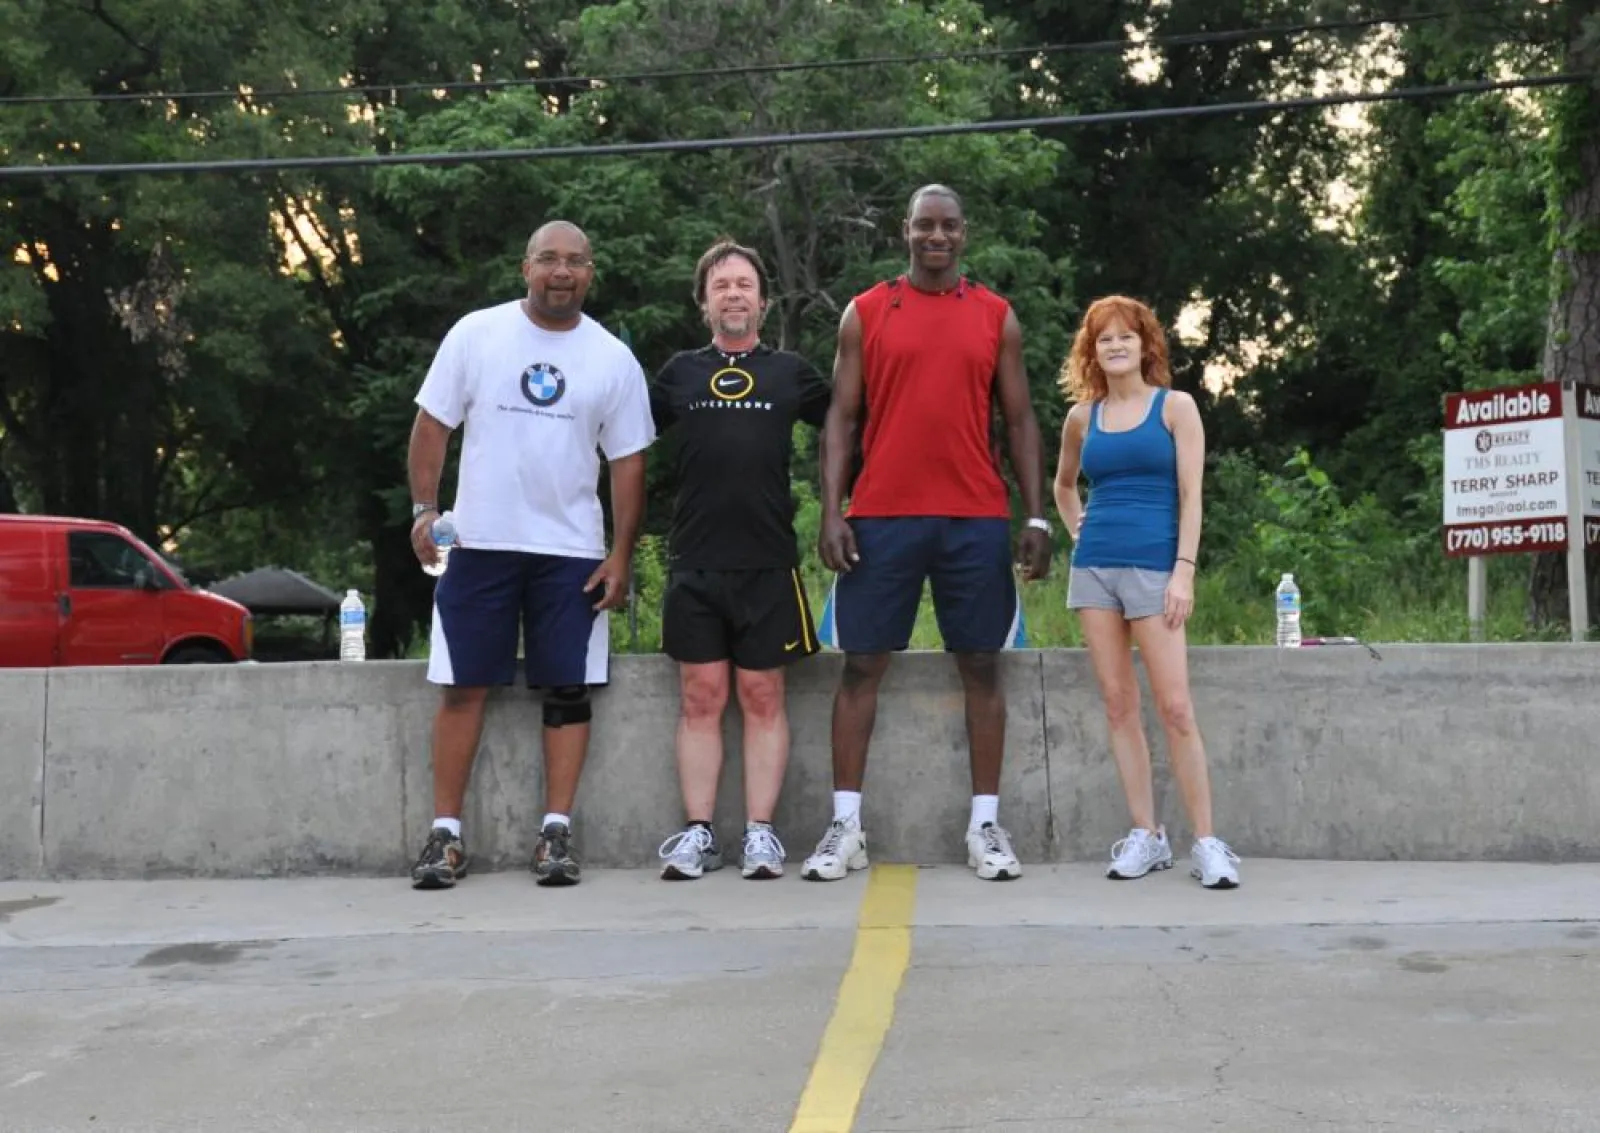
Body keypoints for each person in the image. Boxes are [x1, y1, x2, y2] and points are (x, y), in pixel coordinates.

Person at [806, 184, 1053, 883]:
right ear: (905, 231)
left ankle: (984, 825)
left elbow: (1021, 420)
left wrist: (1034, 514)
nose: (935, 236)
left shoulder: (996, 316)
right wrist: (833, 509)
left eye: (947, 226)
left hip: (973, 514)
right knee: (861, 665)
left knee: (981, 663)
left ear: (964, 235)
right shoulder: (866, 312)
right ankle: (845, 825)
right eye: (924, 226)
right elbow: (841, 420)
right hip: (881, 513)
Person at [405, 220, 655, 891]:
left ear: (590, 272)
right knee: (463, 687)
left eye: (575, 261)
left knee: (568, 693)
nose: (562, 272)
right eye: (549, 259)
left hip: (570, 553)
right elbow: (431, 426)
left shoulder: (612, 359)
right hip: (479, 546)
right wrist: (424, 510)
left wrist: (621, 554)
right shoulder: (476, 334)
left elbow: (628, 465)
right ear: (526, 267)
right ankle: (446, 837)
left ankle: (555, 832)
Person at [648, 239, 832, 881]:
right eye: (721, 284)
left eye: (744, 284)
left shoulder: (791, 373)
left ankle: (760, 834)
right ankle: (698, 834)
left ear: (763, 299)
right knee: (701, 697)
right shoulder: (678, 375)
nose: (733, 293)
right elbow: (624, 444)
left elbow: (848, 428)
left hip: (768, 563)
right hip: (695, 562)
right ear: (704, 303)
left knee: (761, 694)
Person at [1051, 294, 1240, 889]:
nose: (1114, 345)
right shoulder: (1084, 418)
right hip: (1095, 572)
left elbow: (1192, 497)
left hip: (1156, 570)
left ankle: (1207, 843)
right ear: (1092, 350)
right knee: (1117, 704)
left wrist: (1184, 569)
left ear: (1144, 344)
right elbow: (1062, 486)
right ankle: (1147, 836)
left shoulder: (1175, 408)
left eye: (1124, 336)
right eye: (1102, 338)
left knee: (1176, 708)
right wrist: (1078, 528)